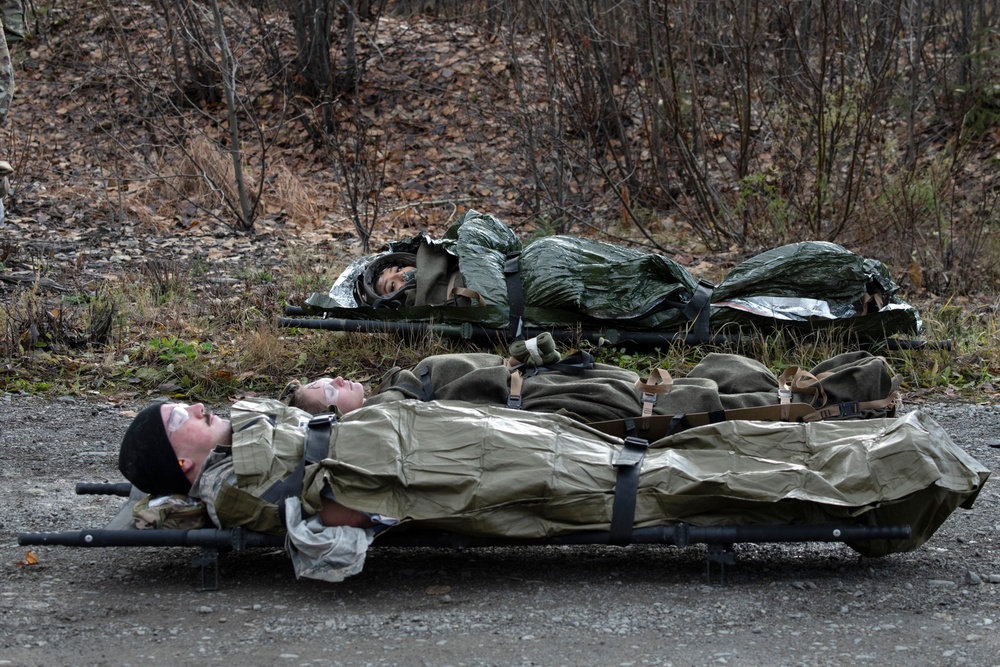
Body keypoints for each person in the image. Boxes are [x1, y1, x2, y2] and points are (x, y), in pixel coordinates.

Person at [116, 390, 990, 584]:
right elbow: (329, 518)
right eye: (178, 416)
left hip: (472, 440)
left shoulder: (250, 434)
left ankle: (883, 453)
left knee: (685, 456)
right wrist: (395, 500)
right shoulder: (239, 482)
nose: (195, 405)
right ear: (184, 460)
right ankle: (902, 475)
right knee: (679, 476)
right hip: (473, 470)